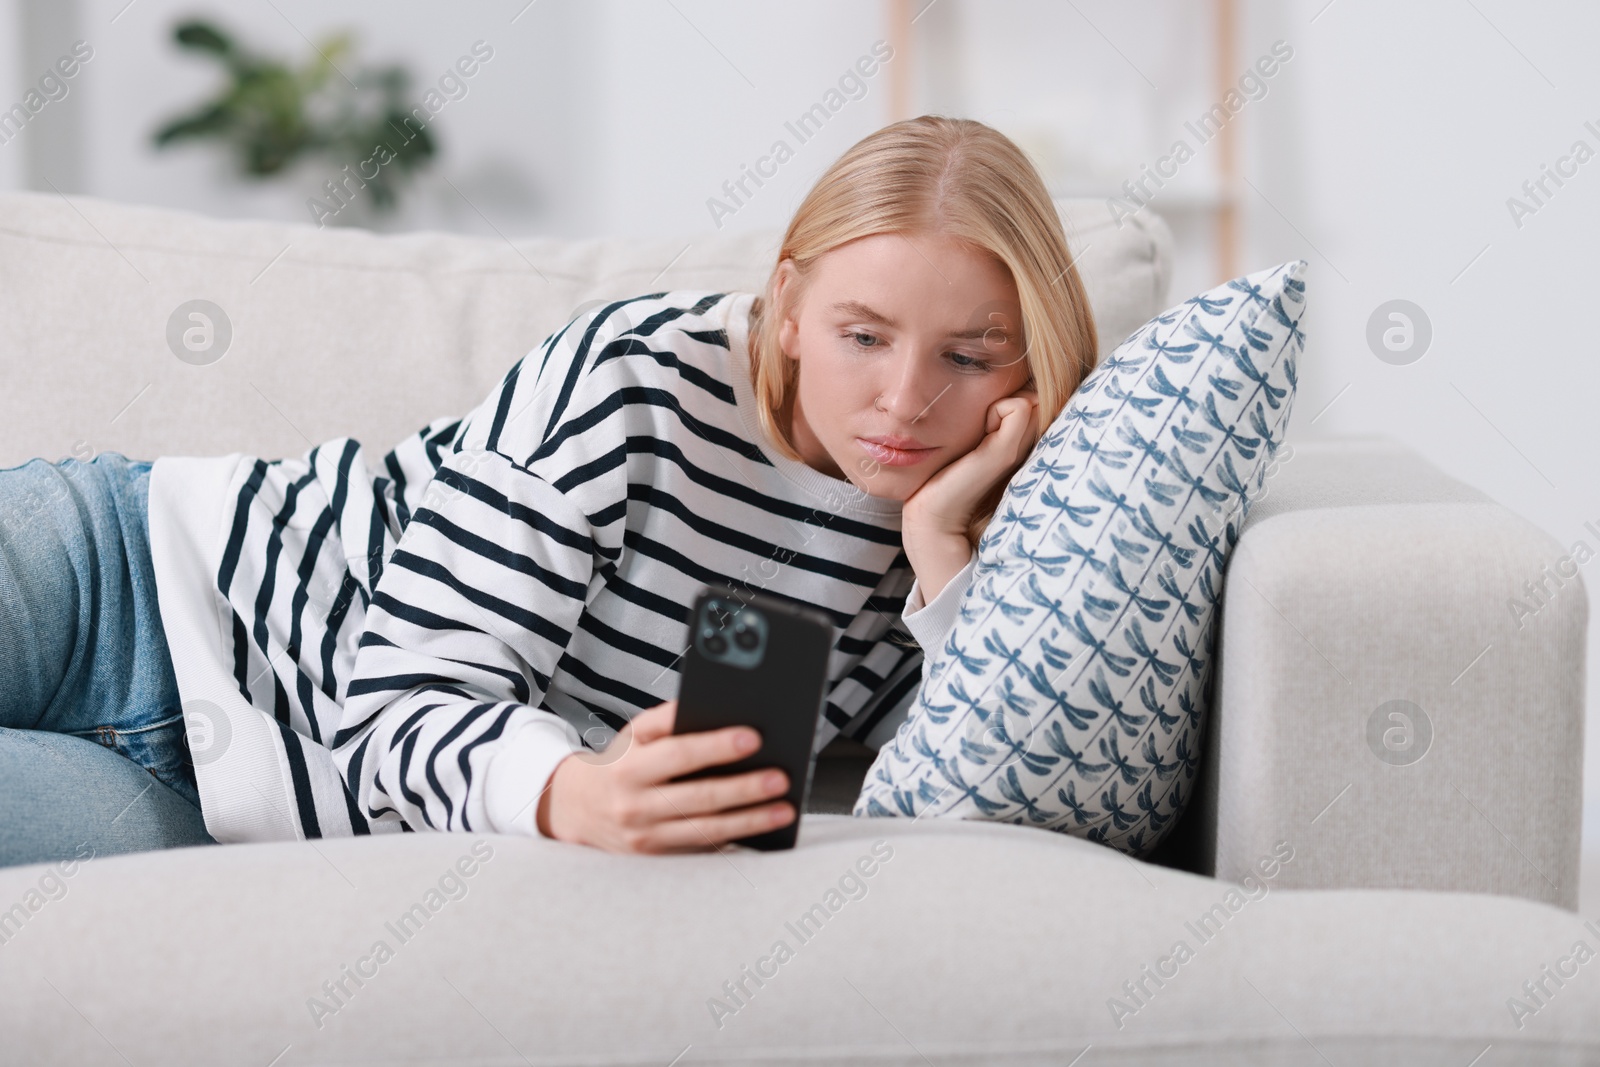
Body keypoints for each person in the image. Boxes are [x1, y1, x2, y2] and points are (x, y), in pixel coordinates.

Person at [0, 115, 1097, 867]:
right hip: (122, 574)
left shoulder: (960, 549)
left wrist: (946, 553)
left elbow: (995, 814)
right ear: (791, 305)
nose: (903, 400)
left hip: (222, 795)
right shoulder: (640, 377)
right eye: (864, 334)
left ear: (1028, 366)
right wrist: (575, 793)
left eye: (968, 355)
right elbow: (395, 703)